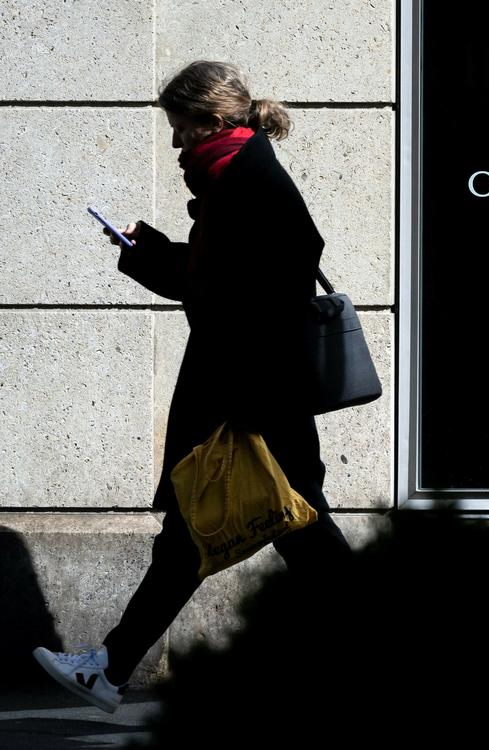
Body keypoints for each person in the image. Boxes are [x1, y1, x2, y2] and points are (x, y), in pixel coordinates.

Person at [32, 60, 353, 713]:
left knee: (293, 534)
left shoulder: (249, 182)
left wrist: (169, 266)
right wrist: (147, 251)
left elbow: (252, 284)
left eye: (179, 128)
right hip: (249, 395)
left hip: (252, 399)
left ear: (207, 121)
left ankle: (110, 669)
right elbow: (217, 278)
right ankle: (111, 668)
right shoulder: (235, 178)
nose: (175, 143)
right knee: (203, 534)